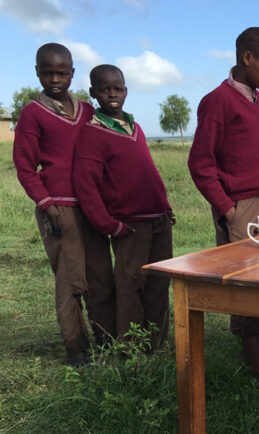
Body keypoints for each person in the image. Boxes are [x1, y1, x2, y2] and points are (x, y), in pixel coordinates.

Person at [187, 27, 259, 377]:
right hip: (241, 208)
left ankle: (255, 351)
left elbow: (244, 150)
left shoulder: (255, 98)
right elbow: (200, 162)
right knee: (248, 282)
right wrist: (227, 210)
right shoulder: (218, 100)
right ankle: (254, 371)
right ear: (247, 59)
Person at [13, 43, 115, 366]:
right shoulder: (32, 113)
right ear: (37, 73)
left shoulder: (87, 111)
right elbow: (25, 166)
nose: (54, 79)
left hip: (92, 207)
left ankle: (107, 340)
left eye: (61, 72)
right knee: (70, 279)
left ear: (72, 73)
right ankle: (76, 349)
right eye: (47, 72)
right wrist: (45, 203)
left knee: (101, 274)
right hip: (58, 208)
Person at [72, 65, 173, 350]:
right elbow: (86, 186)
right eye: (104, 89)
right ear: (93, 93)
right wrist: (109, 225)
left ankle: (156, 343)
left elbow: (148, 172)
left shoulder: (134, 126)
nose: (112, 94)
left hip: (158, 218)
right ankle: (131, 348)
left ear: (126, 91)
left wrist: (166, 208)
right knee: (130, 285)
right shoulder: (93, 134)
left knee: (158, 283)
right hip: (129, 225)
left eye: (118, 88)